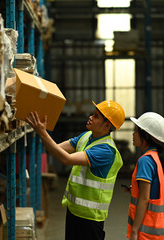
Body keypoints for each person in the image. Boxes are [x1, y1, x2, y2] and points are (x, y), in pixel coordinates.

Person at [26, 100, 125, 240]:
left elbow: (66, 159)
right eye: (93, 114)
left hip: (90, 217)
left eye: (96, 116)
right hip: (74, 210)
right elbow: (54, 149)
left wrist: (42, 132)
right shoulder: (85, 137)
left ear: (107, 125)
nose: (90, 117)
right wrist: (42, 131)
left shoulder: (106, 150)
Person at [126, 112, 164, 240]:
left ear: (146, 136)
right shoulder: (161, 160)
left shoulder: (145, 161)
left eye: (136, 131)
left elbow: (144, 200)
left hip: (146, 233)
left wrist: (134, 231)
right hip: (163, 232)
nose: (133, 134)